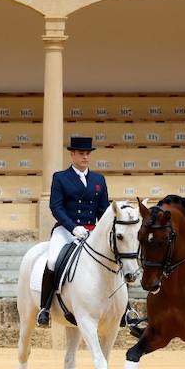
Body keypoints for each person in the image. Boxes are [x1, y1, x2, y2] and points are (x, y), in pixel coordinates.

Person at [38, 136, 109, 327]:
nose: (85, 157)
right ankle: (44, 309)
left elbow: (103, 210)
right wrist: (73, 227)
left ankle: (126, 309)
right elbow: (56, 207)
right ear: (72, 154)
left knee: (114, 259)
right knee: (53, 260)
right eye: (81, 153)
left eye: (88, 153)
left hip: (91, 231)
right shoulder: (60, 177)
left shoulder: (98, 179)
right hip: (66, 229)